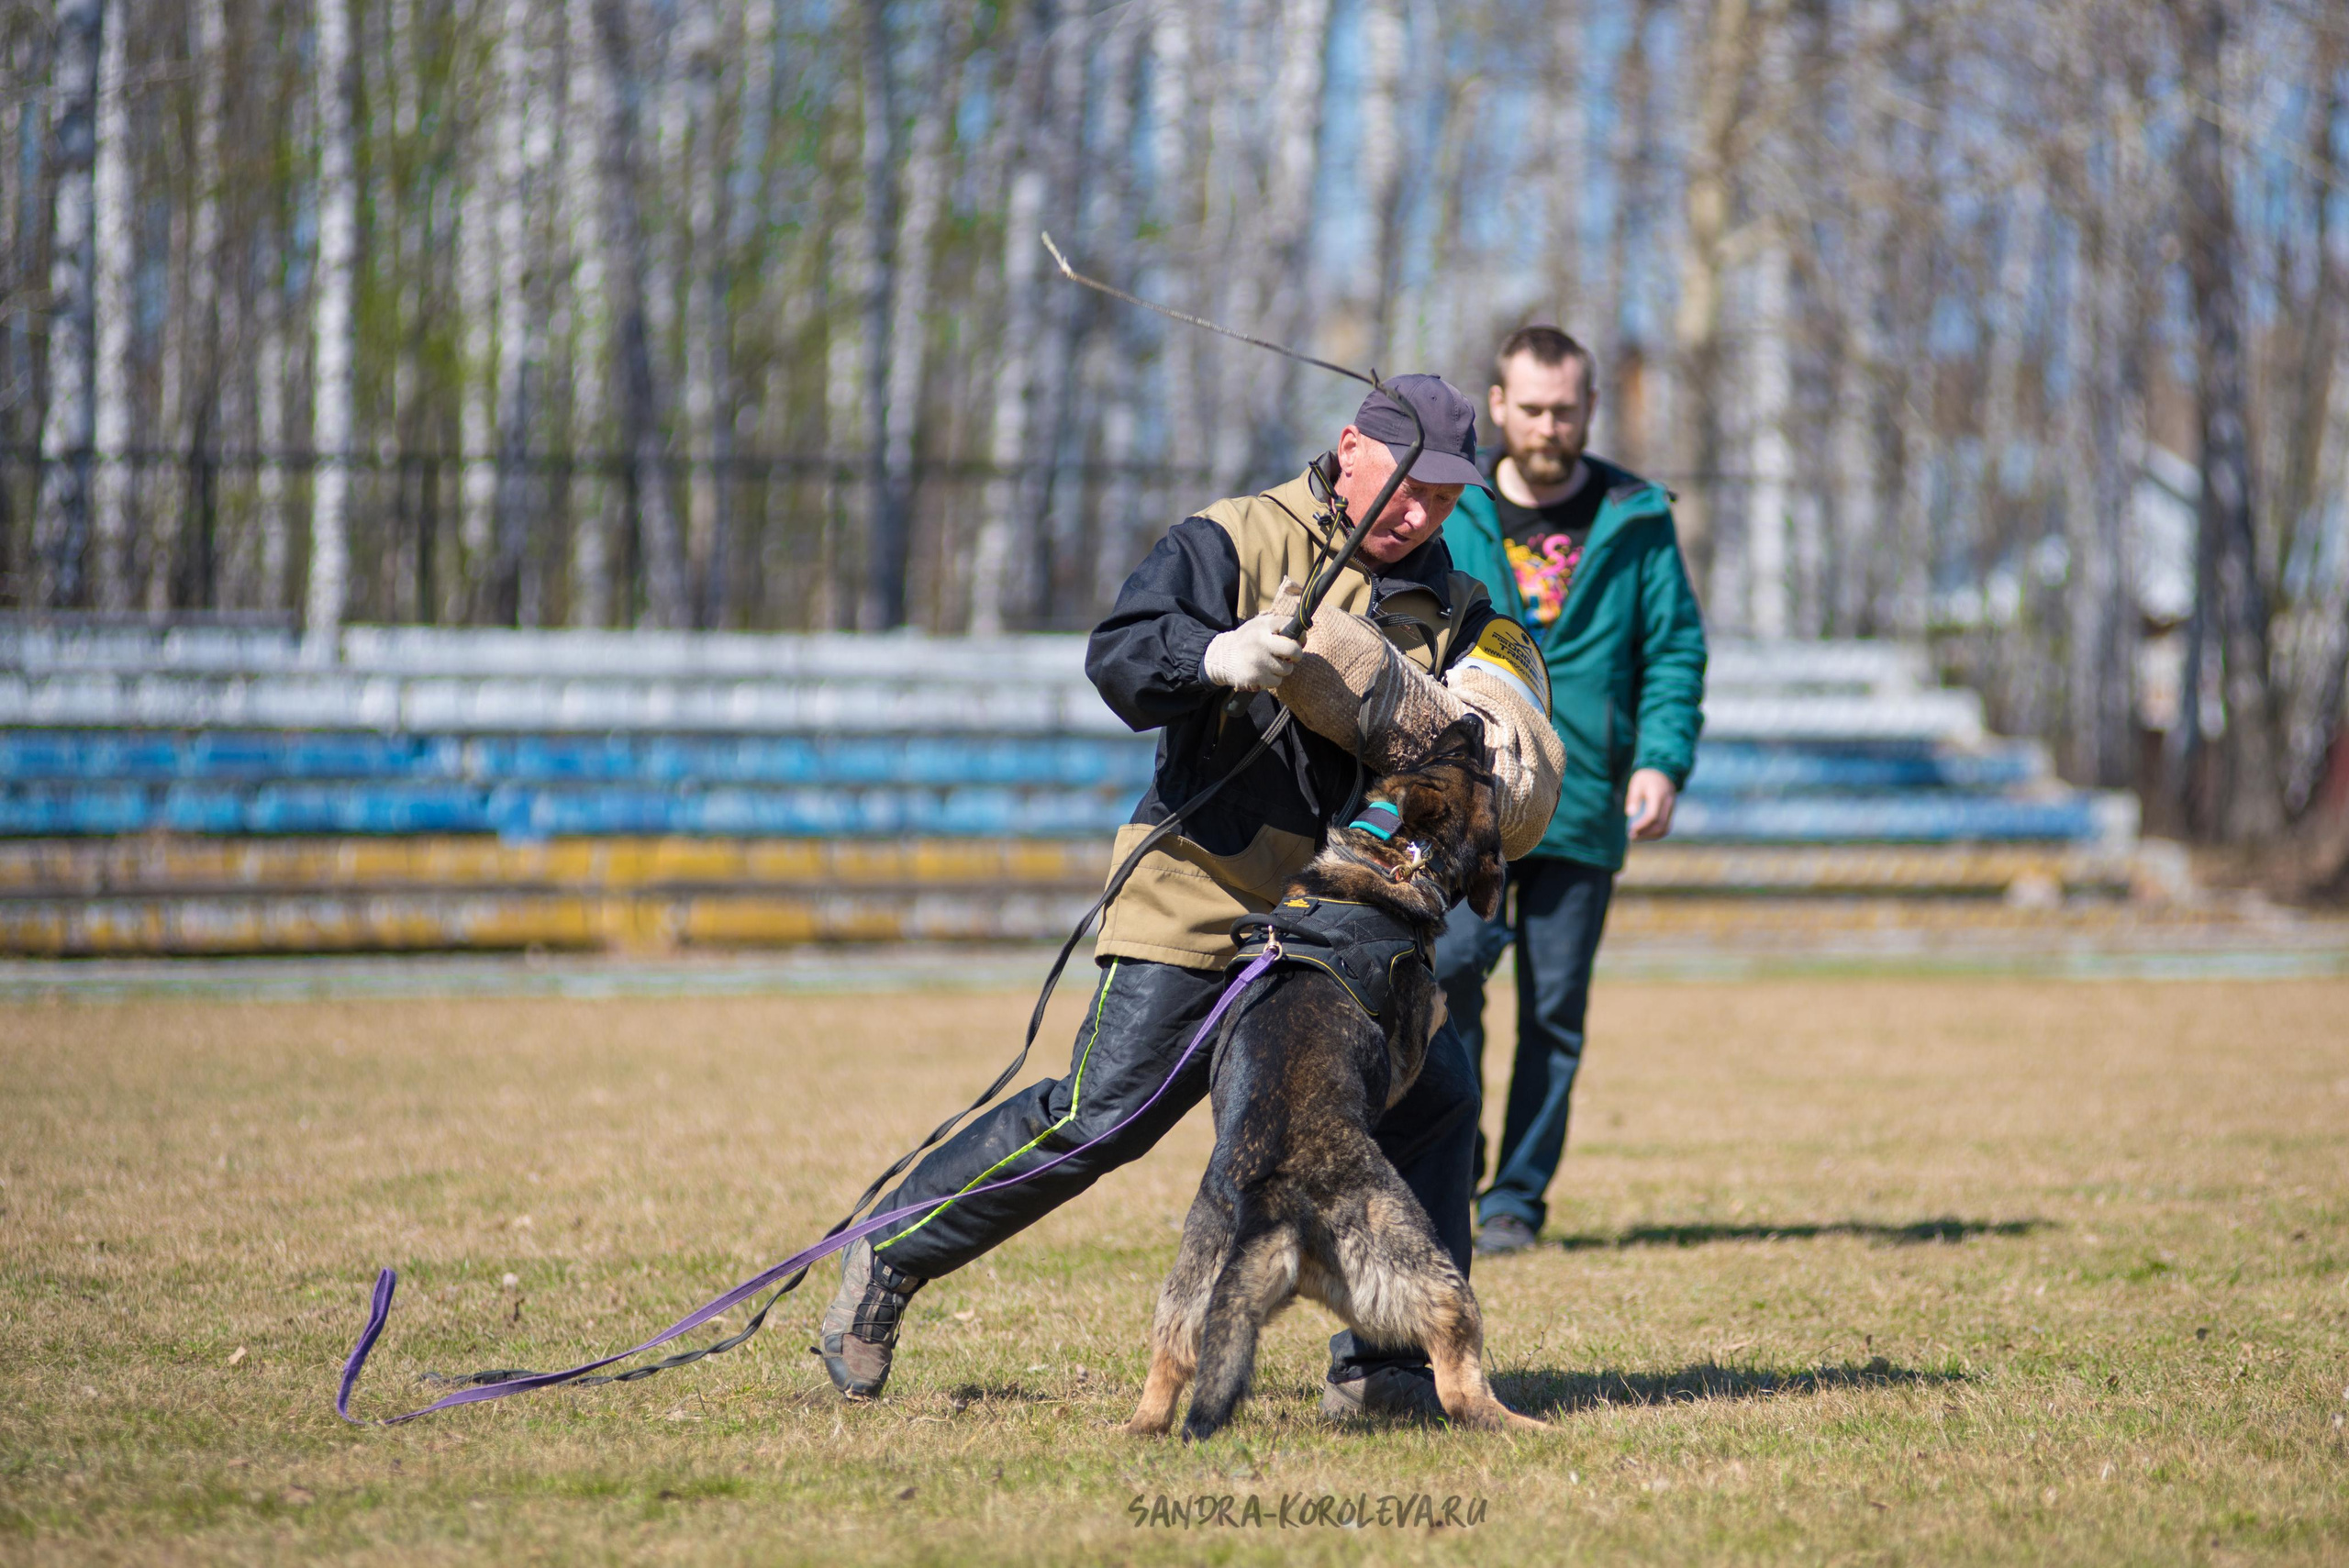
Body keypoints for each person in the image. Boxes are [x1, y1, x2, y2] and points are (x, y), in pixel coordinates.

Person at [817, 375, 1565, 1418]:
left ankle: (1389, 1367)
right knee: (1102, 1115)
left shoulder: (1462, 603)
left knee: (1431, 1100)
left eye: (1443, 498)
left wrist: (1497, 720)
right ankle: (887, 1257)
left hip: (1343, 923)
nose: (1419, 514)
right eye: (1406, 486)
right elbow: (1119, 652)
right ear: (1352, 448)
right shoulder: (1232, 538)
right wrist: (1212, 654)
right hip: (1202, 888)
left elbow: (1513, 709)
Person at [1434, 327, 1708, 1255]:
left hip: (1587, 797)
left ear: (1590, 408)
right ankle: (1450, 1156)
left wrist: (1661, 759)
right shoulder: (1448, 500)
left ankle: (1515, 1199)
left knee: (1554, 1008)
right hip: (1466, 794)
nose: (1551, 426)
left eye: (1567, 408)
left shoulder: (1638, 515)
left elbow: (1672, 647)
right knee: (1447, 975)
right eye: (1533, 407)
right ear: (1498, 404)